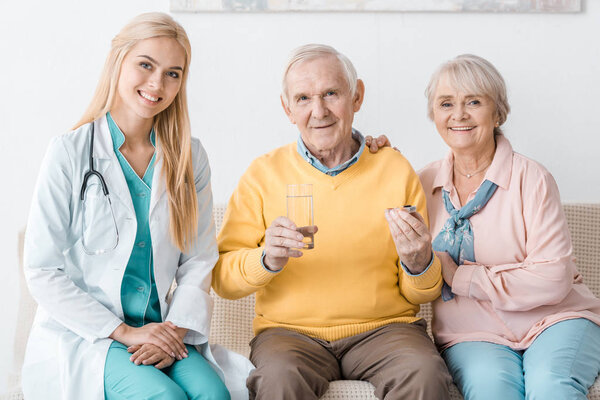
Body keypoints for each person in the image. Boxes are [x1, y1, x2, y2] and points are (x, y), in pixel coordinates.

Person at [22, 12, 252, 400]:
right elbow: (41, 269)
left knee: (214, 395)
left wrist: (175, 329)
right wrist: (125, 332)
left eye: (173, 73)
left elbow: (198, 260)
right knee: (167, 398)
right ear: (118, 61)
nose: (157, 84)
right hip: (91, 334)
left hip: (163, 327)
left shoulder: (189, 157)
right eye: (146, 65)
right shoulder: (69, 152)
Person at [212, 43, 452, 400]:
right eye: (304, 98)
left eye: (331, 94)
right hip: (289, 334)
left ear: (356, 97)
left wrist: (419, 263)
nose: (319, 110)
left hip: (386, 330)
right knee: (277, 381)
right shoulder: (263, 174)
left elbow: (424, 291)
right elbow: (222, 279)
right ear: (287, 108)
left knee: (425, 374)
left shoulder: (393, 168)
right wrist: (266, 259)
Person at [369, 54, 600, 399]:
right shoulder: (421, 183)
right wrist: (378, 161)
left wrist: (461, 276)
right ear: (434, 115)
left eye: (473, 102)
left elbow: (553, 279)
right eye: (446, 103)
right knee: (492, 390)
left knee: (551, 383)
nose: (459, 114)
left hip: (555, 321)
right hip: (472, 333)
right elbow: (382, 229)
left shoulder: (533, 179)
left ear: (498, 112)